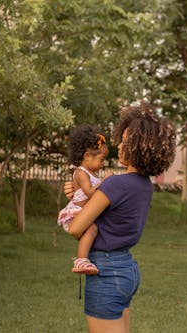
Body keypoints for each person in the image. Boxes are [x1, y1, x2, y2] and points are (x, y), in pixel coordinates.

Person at [66, 101, 176, 333]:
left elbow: (76, 228)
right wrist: (80, 194)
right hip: (126, 269)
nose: (120, 145)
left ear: (137, 147)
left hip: (106, 271)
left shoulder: (116, 184)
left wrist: (77, 201)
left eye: (125, 141)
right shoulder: (144, 185)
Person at [57, 124, 112, 275]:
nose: (103, 163)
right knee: (92, 229)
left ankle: (85, 259)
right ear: (87, 156)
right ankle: (81, 260)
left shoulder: (91, 173)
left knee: (94, 230)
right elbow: (89, 193)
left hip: (85, 211)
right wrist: (105, 181)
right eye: (101, 159)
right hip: (77, 212)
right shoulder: (81, 173)